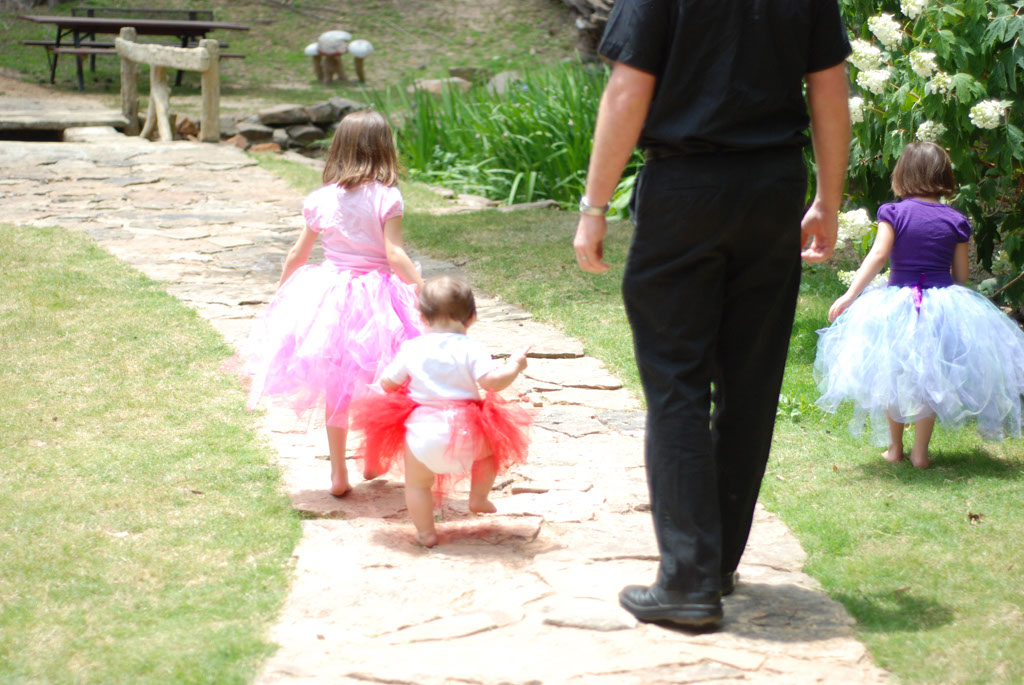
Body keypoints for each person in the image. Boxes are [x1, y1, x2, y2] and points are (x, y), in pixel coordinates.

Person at [572, 1, 852, 628]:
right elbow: (830, 90)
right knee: (749, 387)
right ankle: (717, 560)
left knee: (676, 382)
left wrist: (593, 206)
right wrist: (827, 200)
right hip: (772, 186)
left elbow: (627, 89)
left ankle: (688, 582)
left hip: (685, 192)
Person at [241, 109, 423, 497]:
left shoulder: (322, 199)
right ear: (383, 149)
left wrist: (282, 294)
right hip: (379, 301)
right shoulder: (387, 197)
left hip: (330, 297)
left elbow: (298, 253)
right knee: (382, 379)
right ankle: (374, 457)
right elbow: (394, 254)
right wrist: (421, 287)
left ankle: (338, 473)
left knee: (337, 386)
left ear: (339, 148)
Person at [815, 141, 1024, 468]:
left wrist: (850, 294)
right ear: (944, 175)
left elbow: (879, 255)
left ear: (903, 174)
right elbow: (962, 276)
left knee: (893, 371)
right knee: (932, 375)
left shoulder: (893, 213)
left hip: (898, 303)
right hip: (941, 302)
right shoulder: (956, 220)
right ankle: (921, 454)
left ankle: (895, 449)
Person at [351, 275, 532, 547]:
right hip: (467, 428)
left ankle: (425, 532)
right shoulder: (472, 348)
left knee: (418, 484)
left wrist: (376, 389)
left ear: (422, 318)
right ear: (471, 318)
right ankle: (479, 497)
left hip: (423, 431)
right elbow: (492, 383)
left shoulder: (412, 347)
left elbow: (388, 383)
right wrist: (515, 365)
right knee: (491, 452)